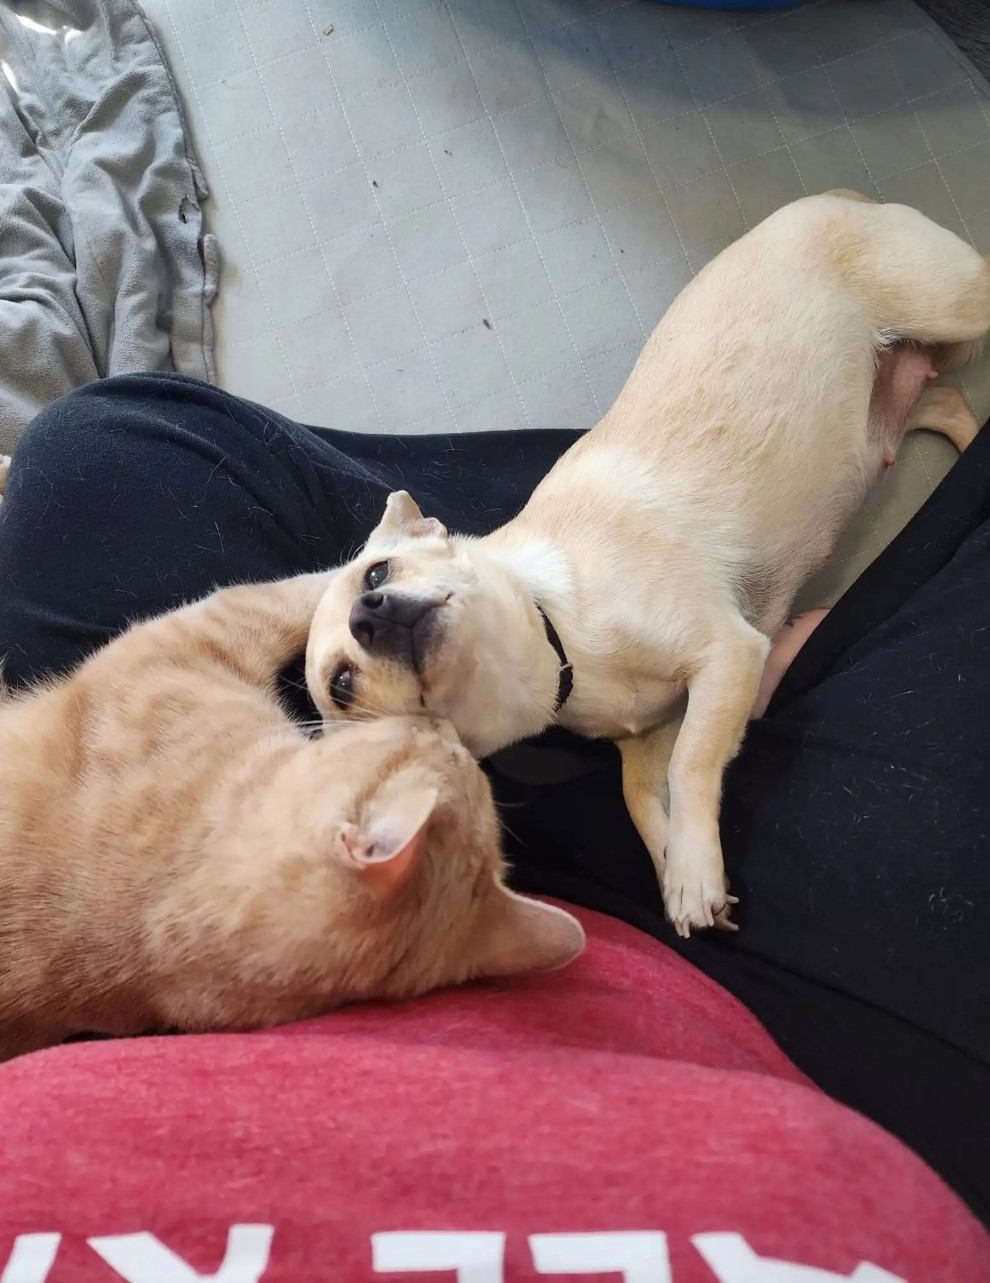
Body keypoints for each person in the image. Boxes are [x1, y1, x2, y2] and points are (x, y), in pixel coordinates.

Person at [0, 371, 987, 1234]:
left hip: (388, 920)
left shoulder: (212, 945)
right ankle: (669, 626)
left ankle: (605, 621)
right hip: (789, 1038)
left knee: (99, 462)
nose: (438, 732)